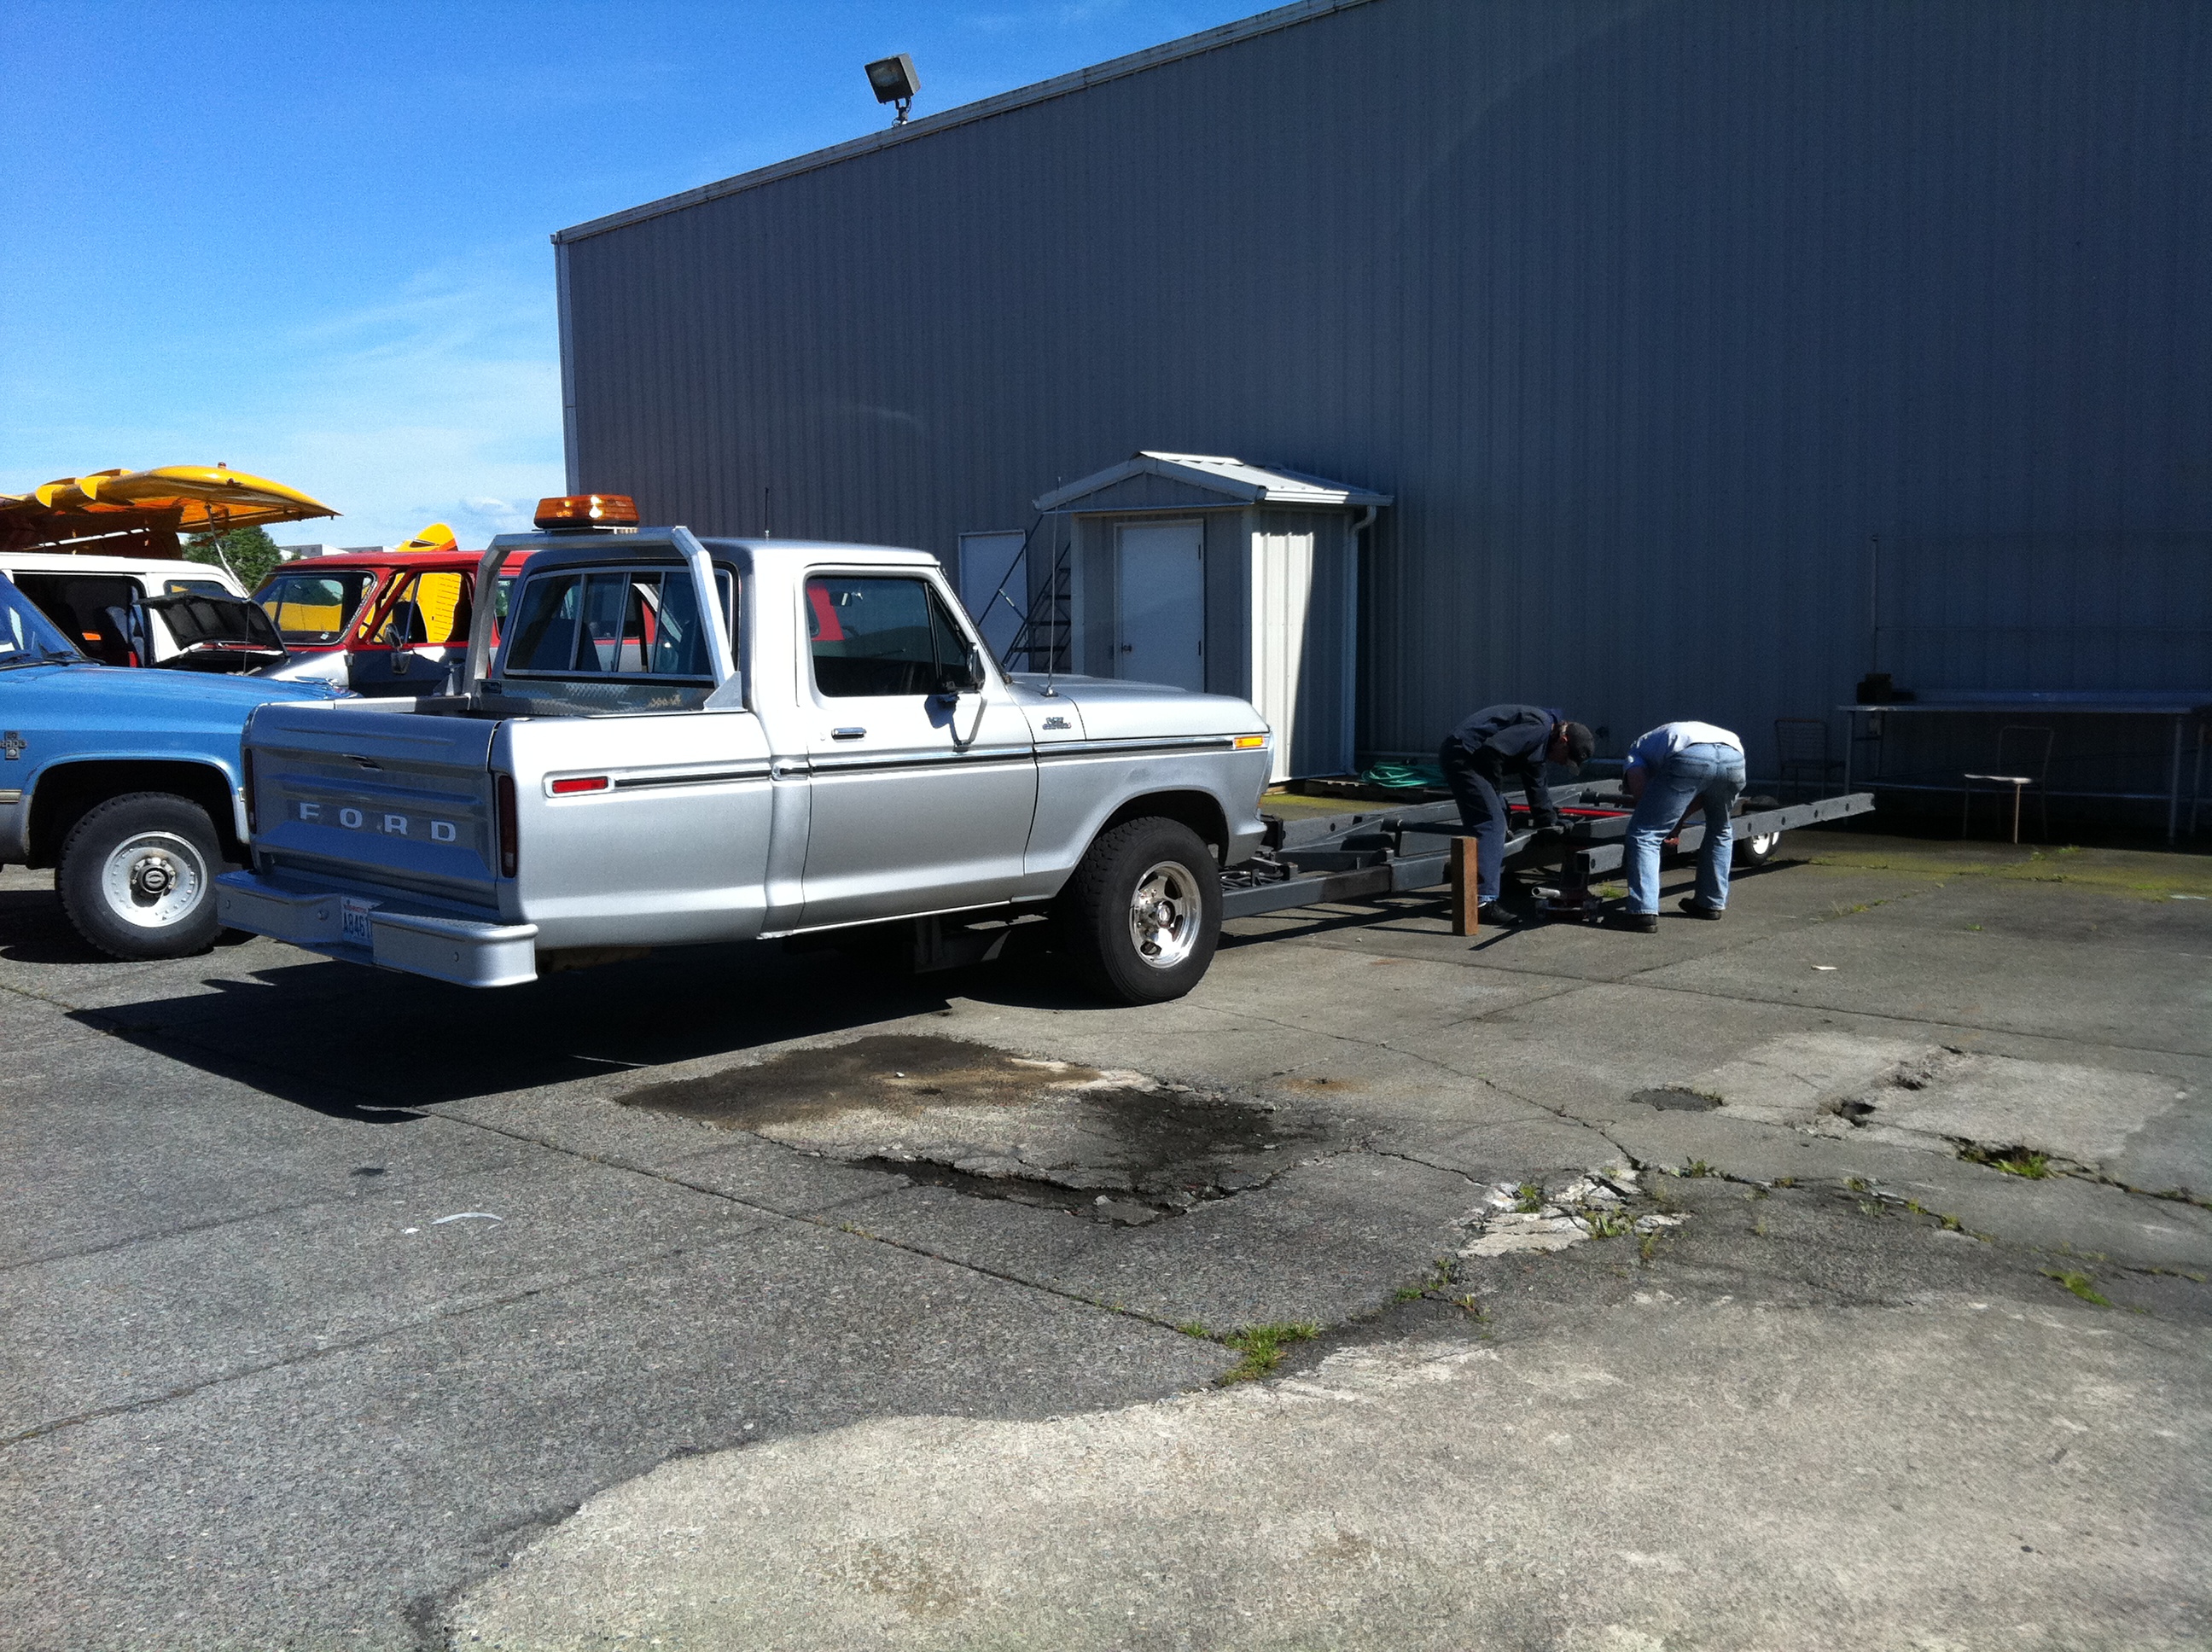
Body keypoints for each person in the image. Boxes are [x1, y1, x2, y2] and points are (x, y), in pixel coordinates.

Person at [1437, 704, 1594, 924]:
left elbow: (1536, 784)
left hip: (1471, 756)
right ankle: (1481, 901)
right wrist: (1494, 792)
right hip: (1465, 755)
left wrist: (1548, 821)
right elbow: (1492, 751)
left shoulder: (1541, 740)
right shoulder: (1539, 727)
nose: (1561, 763)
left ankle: (1500, 878)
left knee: (1501, 813)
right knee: (1491, 822)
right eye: (1566, 759)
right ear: (1563, 741)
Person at [1605, 719, 1747, 933]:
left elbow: (1642, 793)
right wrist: (1676, 820)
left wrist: (1665, 822)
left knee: (1645, 832)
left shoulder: (1637, 750)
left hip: (1690, 756)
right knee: (1721, 829)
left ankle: (1642, 912)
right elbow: (1702, 794)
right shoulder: (1661, 739)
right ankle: (1710, 904)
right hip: (1733, 756)